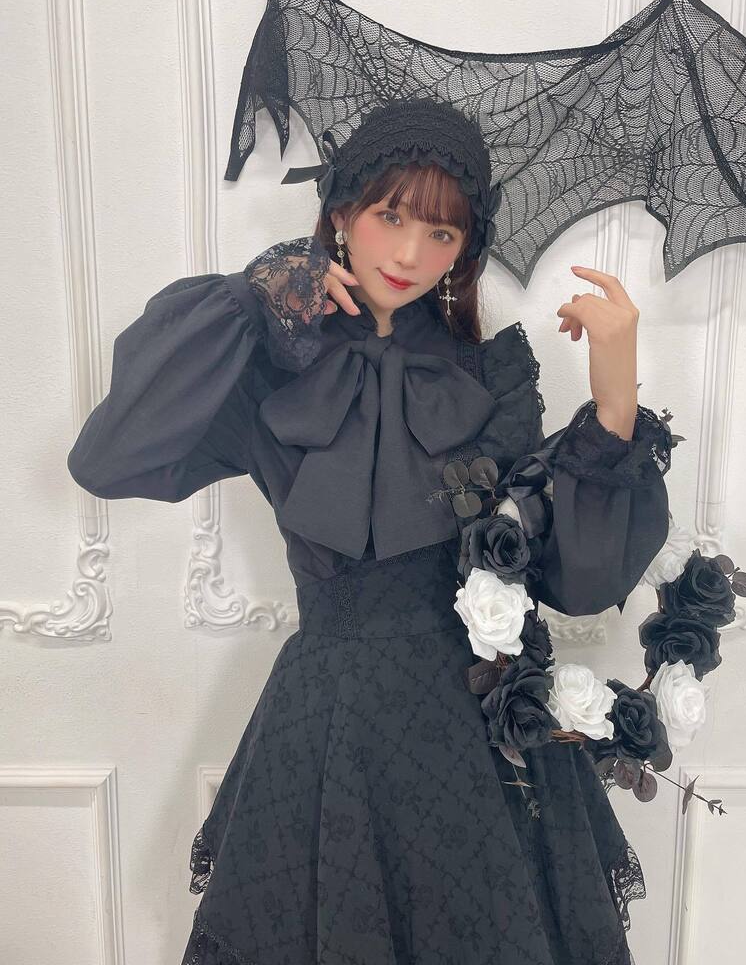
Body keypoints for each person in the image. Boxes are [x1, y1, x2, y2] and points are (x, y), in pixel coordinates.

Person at [67, 97, 671, 965]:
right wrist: (253, 298)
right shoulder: (270, 361)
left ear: (464, 250)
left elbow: (572, 583)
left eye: (441, 232)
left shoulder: (488, 375)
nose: (409, 254)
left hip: (481, 739)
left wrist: (614, 403)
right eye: (391, 216)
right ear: (341, 213)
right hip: (332, 732)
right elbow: (109, 459)